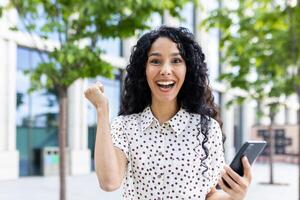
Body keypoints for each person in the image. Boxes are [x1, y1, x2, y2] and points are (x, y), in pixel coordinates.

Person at [84, 26, 252, 200]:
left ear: (188, 69)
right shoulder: (125, 126)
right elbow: (109, 182)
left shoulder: (208, 128)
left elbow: (209, 195)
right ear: (144, 69)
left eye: (176, 61)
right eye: (155, 61)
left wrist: (235, 196)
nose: (165, 70)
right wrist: (102, 110)